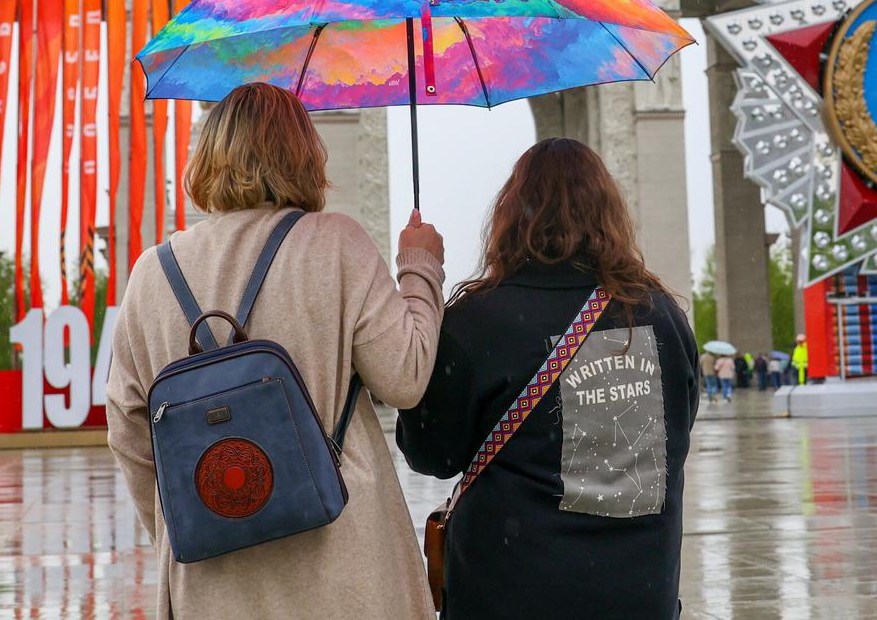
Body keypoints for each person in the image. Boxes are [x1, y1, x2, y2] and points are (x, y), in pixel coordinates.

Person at [106, 82, 445, 620]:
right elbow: (404, 377)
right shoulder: (336, 243)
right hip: (343, 566)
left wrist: (198, 522)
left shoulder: (152, 274)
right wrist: (419, 268)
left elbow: (129, 430)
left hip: (213, 585)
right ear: (304, 154)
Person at [397, 138, 699, 620]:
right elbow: (679, 428)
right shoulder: (660, 316)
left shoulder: (477, 322)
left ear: (510, 214)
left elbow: (431, 454)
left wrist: (420, 285)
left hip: (509, 590)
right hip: (639, 590)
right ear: (609, 212)